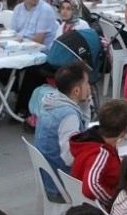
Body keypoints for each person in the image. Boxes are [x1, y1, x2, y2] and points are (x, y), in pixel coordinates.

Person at [34, 63, 91, 195]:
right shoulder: (68, 116)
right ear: (76, 91)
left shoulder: (52, 101)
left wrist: (85, 104)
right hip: (60, 182)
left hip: (49, 174)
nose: (89, 87)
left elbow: (82, 131)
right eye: (87, 83)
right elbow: (69, 158)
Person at [69, 99, 127, 204]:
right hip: (96, 208)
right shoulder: (100, 153)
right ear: (125, 130)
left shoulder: (94, 140)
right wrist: (114, 201)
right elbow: (91, 187)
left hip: (79, 197)